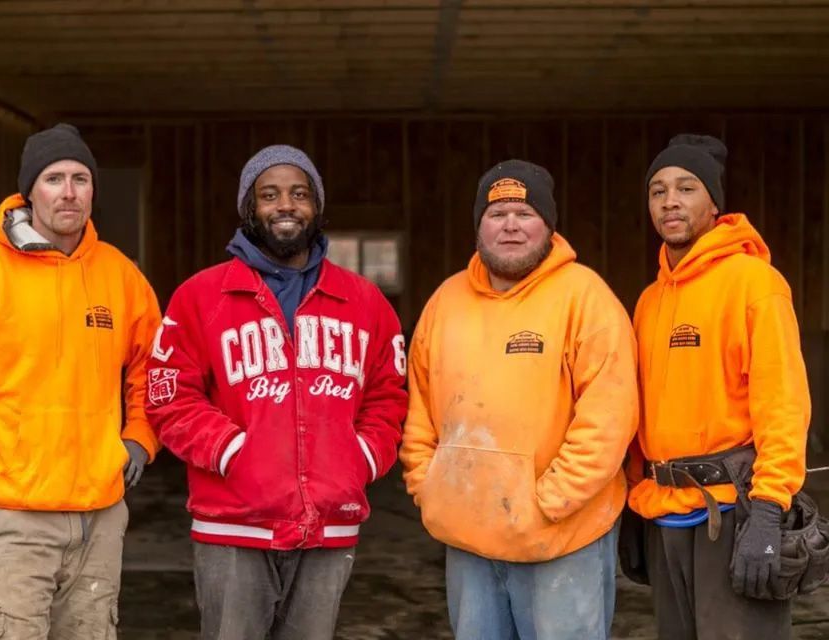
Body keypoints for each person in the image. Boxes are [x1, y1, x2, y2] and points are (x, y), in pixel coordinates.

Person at [145, 144, 408, 640]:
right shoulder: (200, 296)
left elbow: (389, 396)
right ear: (249, 208)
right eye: (269, 194)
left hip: (329, 525)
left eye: (299, 194)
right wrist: (232, 451)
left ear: (317, 206)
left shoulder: (365, 301)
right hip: (234, 524)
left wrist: (360, 457)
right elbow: (169, 397)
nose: (285, 205)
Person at [0, 123, 161, 639]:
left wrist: (141, 434)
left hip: (99, 516)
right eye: (54, 179)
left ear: (94, 189)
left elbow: (156, 366)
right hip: (11, 516)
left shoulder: (119, 275)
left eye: (80, 178)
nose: (68, 192)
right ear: (30, 191)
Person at [400, 159, 638, 640]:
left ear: (549, 226)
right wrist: (431, 489)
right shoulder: (446, 301)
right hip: (467, 532)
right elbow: (420, 410)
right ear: (478, 228)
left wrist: (546, 502)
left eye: (525, 213)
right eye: (498, 213)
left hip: (560, 536)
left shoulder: (585, 297)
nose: (510, 225)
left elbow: (608, 418)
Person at [627, 133, 811, 639]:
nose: (670, 201)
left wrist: (771, 511)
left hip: (734, 515)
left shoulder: (754, 283)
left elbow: (783, 404)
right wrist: (631, 498)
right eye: (657, 190)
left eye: (686, 188)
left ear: (714, 202)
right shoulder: (649, 301)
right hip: (666, 515)